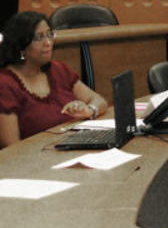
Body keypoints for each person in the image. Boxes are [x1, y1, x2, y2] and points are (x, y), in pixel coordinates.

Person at [0, 11, 107, 148]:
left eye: (50, 35)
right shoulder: (5, 84)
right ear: (21, 46)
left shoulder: (58, 70)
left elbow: (100, 101)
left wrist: (89, 110)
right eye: (39, 38)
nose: (48, 42)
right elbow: (11, 147)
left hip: (71, 148)